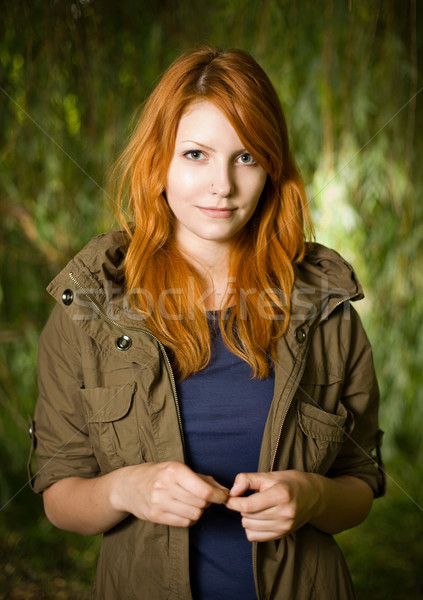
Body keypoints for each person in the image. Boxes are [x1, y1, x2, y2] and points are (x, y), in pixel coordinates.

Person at [29, 45, 385, 600]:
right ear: (158, 162)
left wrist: (312, 496)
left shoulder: (324, 306)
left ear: (271, 167)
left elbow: (360, 485)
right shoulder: (91, 305)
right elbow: (59, 498)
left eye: (246, 157)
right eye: (196, 154)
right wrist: (126, 488)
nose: (222, 184)